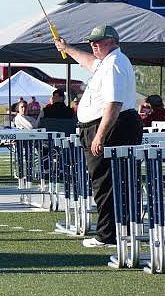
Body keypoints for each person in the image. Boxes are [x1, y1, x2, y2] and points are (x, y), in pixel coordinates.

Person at [54, 25, 142, 248]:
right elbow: (88, 62)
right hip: (107, 125)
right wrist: (66, 48)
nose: (93, 44)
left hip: (111, 126)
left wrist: (100, 136)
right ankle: (117, 230)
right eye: (92, 41)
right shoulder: (106, 62)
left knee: (106, 183)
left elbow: (114, 103)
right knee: (108, 181)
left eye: (99, 41)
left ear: (113, 41)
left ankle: (108, 234)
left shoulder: (114, 64)